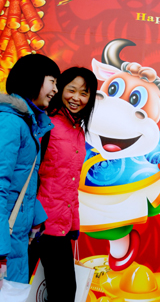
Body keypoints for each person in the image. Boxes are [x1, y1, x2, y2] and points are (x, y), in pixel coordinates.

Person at [37, 67, 97, 302]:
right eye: (71, 90)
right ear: (59, 89)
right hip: (37, 225)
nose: (76, 98)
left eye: (84, 93)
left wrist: (74, 223)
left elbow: (70, 183)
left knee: (61, 292)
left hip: (60, 226)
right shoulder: (47, 125)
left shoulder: (78, 131)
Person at [0, 54, 60, 287]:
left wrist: (36, 219)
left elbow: (24, 181)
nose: (56, 89)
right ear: (33, 78)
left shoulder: (28, 123)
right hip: (7, 245)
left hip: (15, 240)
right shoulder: (11, 122)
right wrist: (1, 251)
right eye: (52, 81)